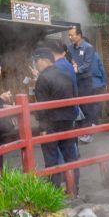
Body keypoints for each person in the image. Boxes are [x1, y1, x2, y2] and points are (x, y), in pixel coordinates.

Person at [30, 47, 79, 190]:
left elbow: (42, 106)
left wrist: (42, 128)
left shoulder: (43, 78)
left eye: (36, 61)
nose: (36, 65)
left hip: (50, 124)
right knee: (71, 156)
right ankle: (74, 188)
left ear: (44, 61)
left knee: (51, 159)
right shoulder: (66, 75)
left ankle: (54, 191)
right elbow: (74, 96)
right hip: (68, 121)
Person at [67, 25, 107, 143]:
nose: (70, 37)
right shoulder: (70, 48)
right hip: (74, 80)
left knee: (87, 107)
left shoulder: (88, 47)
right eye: (69, 35)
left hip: (85, 81)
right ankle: (80, 131)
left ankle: (88, 133)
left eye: (72, 35)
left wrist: (76, 69)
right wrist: (71, 66)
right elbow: (69, 59)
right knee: (77, 106)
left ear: (79, 35)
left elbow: (87, 64)